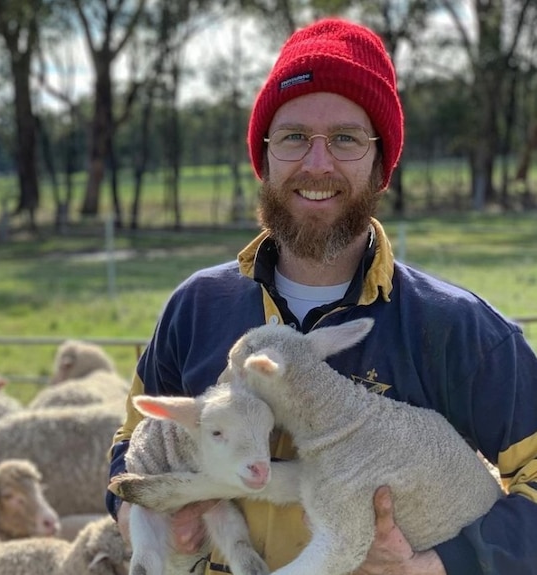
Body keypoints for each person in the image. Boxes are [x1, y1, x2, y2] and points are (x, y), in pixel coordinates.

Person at [105, 16, 537, 575]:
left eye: (345, 139)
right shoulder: (197, 307)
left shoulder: (455, 328)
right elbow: (135, 437)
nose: (316, 163)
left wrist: (433, 565)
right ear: (263, 157)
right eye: (292, 138)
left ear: (382, 166)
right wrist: (148, 521)